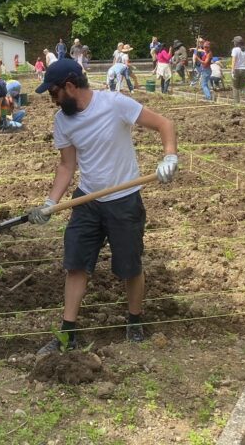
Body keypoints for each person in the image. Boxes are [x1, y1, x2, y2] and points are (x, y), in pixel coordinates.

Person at [29, 59, 178, 354]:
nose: (53, 101)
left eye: (54, 94)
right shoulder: (62, 121)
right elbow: (66, 165)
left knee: (130, 266)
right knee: (75, 265)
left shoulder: (114, 104)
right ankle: (67, 334)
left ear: (70, 86)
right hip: (88, 201)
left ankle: (134, 321)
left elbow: (164, 124)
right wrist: (50, 203)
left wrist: (169, 156)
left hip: (124, 201)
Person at [230, 36, 245, 104]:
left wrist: (232, 71)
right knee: (242, 86)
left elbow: (233, 61)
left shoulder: (235, 49)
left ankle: (236, 103)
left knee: (235, 87)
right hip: (244, 69)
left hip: (237, 70)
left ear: (236, 43)